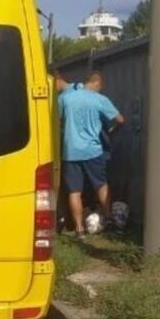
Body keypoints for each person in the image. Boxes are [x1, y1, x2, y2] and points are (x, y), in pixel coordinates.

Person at [58, 69, 125, 235]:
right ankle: (109, 220)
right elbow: (120, 119)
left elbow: (57, 121)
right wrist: (111, 130)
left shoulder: (65, 98)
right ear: (97, 83)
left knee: (74, 191)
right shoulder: (99, 99)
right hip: (93, 150)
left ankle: (79, 230)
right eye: (100, 86)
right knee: (101, 186)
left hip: (70, 151)